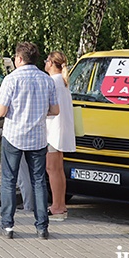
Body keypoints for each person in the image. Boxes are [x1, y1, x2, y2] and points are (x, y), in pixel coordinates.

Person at [0, 42, 59, 240]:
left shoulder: (11, 79)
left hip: (14, 135)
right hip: (38, 137)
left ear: (20, 59)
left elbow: (1, 111)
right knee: (39, 180)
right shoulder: (46, 79)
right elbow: (55, 110)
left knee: (9, 180)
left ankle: (7, 226)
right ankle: (42, 227)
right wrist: (39, 113)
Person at [45, 50, 76, 220]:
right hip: (60, 129)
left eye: (46, 60)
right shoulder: (62, 82)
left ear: (51, 63)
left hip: (53, 130)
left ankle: (57, 206)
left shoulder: (52, 82)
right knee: (58, 169)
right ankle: (60, 204)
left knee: (52, 169)